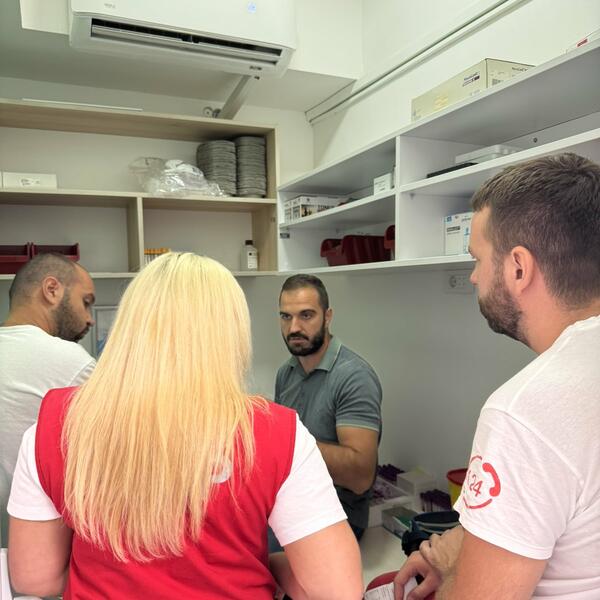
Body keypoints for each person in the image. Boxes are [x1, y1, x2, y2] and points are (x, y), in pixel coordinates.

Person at [7, 253, 363, 600]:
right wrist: (265, 567)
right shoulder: (276, 434)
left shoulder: (54, 426)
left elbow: (35, 578)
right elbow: (335, 589)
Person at [394, 152, 600, 600]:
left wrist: (451, 577)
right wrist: (457, 545)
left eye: (478, 258)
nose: (473, 277)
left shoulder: (526, 411)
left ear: (518, 268)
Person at [274, 274, 382, 543]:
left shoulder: (354, 377)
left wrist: (280, 440)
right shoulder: (286, 373)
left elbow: (360, 475)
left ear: (327, 317)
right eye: (286, 317)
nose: (294, 327)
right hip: (291, 503)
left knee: (247, 555)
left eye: (306, 315)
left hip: (337, 516)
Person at [0, 253, 96, 545]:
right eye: (86, 302)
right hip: (37, 540)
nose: (90, 318)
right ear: (52, 289)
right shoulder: (70, 361)